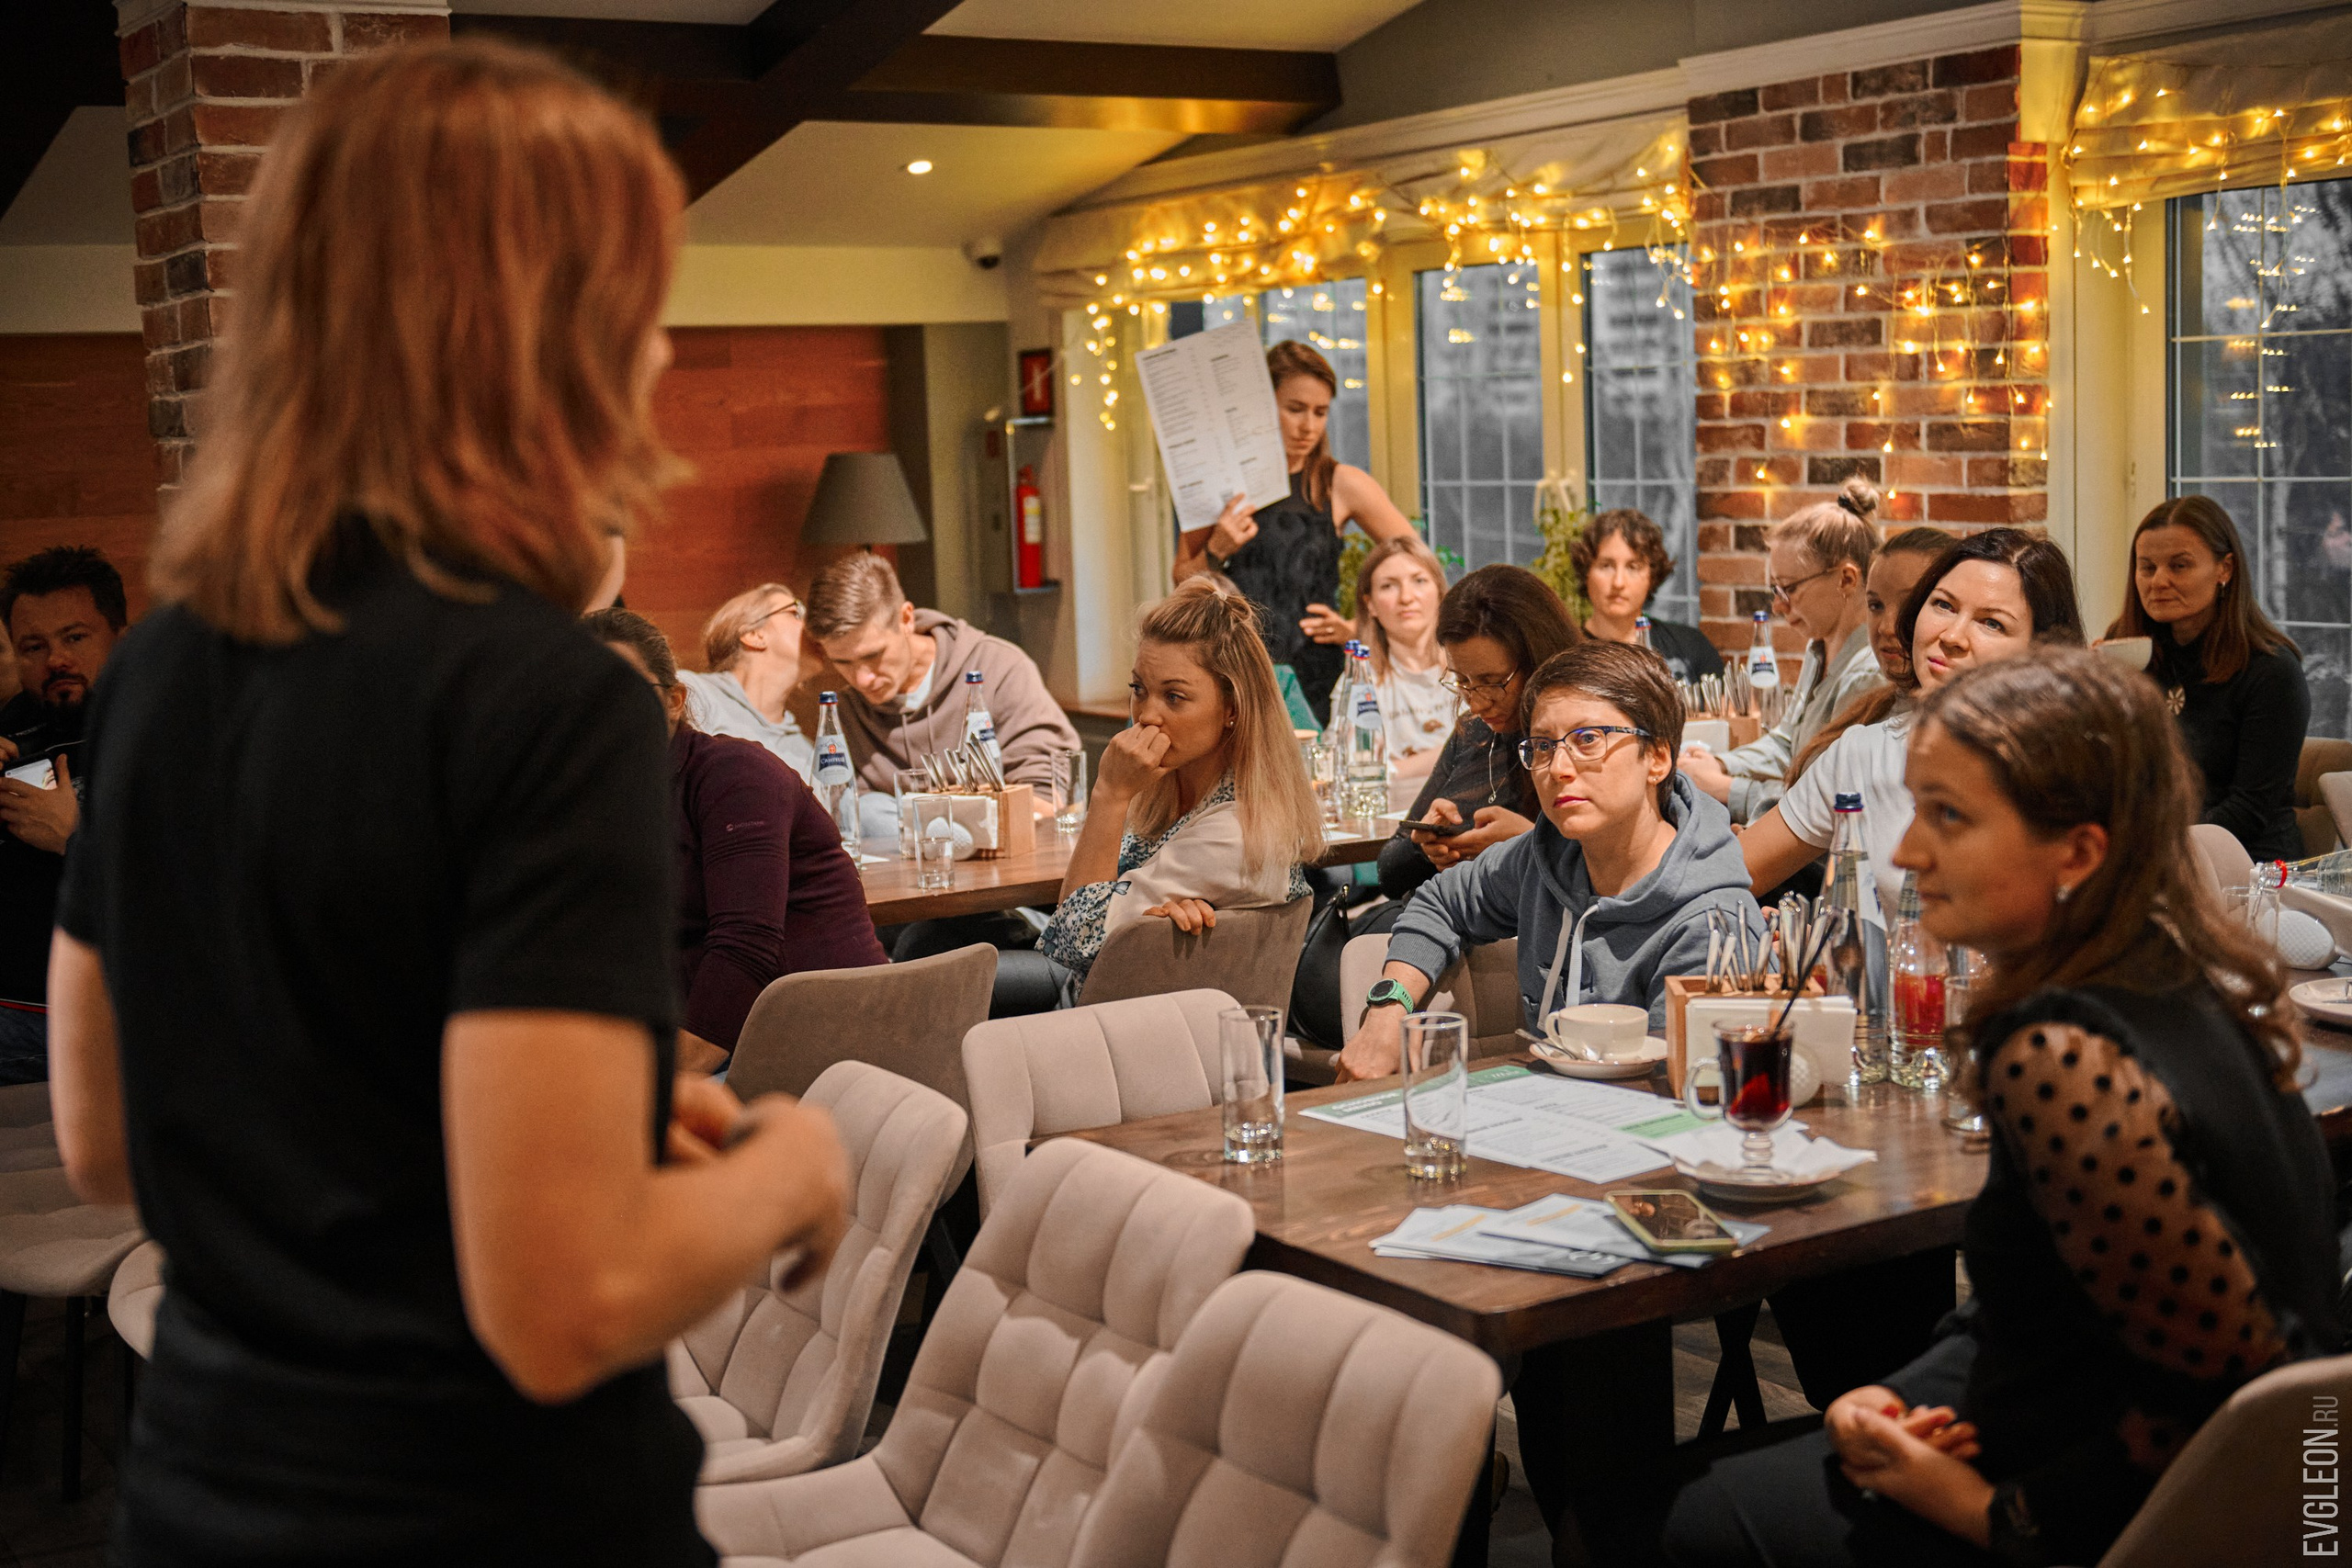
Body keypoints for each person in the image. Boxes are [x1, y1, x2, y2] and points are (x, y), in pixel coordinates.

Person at [46, 42, 849, 1564]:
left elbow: (113, 1135)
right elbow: (565, 1310)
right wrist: (796, 1168)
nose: (660, 358)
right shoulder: (548, 697)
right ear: (536, 329)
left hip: (210, 1495)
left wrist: (546, 1123)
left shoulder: (160, 666)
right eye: (632, 304)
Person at [1662, 648, 2340, 1568]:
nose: (1905, 851)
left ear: (2077, 851)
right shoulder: (2186, 979)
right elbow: (2043, 1316)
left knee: (1703, 1517)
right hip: (2227, 1480)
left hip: (2162, 1518)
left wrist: (1993, 1513)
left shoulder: (2061, 1055)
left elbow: (2226, 1384)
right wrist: (1894, 1394)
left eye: (1946, 816)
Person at [1338, 639, 1760, 1081]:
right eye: (1542, 745)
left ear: (1657, 757)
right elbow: (1440, 902)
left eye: (1588, 739)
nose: (1557, 768)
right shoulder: (1548, 859)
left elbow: (1684, 1093)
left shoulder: (1711, 925)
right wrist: (1388, 1014)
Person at [991, 578, 1323, 1011]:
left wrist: (1109, 794)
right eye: (1139, 690)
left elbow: (1073, 940)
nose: (1147, 715)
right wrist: (1142, 927)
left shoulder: (1237, 830)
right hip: (1107, 1007)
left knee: (953, 972)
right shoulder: (1170, 789)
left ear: (1232, 710)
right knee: (946, 937)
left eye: (1174, 697)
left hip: (1119, 1033)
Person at [589, 608, 885, 1077]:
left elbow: (745, 948)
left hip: (825, 1044)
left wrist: (657, 1089)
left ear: (673, 700)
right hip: (723, 1033)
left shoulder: (735, 776)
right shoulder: (602, 803)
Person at [1741, 528, 2086, 921]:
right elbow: (1732, 873)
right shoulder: (1865, 752)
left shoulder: (2068, 772)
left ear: (2040, 652)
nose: (1952, 636)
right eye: (1943, 605)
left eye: (1991, 623)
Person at [1170, 340, 1416, 723]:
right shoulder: (1220, 482)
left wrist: (1359, 628)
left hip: (1318, 675)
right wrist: (1217, 548)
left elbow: (1418, 562)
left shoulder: (1339, 483)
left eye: (1320, 413)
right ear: (1262, 407)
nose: (1308, 426)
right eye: (1295, 409)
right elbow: (1182, 580)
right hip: (1237, 672)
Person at [2107, 495, 2309, 862]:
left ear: (2225, 569)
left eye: (2179, 566)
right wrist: (2088, 696)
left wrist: (2149, 850)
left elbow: (2248, 810)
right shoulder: (2128, 653)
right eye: (2147, 567)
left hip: (2250, 869)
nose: (2159, 581)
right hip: (2155, 856)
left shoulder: (2271, 670)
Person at [804, 551, 1078, 809]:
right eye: (843, 663)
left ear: (906, 618)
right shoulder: (847, 712)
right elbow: (850, 815)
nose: (862, 679)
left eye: (874, 655)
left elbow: (1047, 796)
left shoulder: (999, 669)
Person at [1374, 563, 1582, 905]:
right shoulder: (1474, 734)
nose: (1478, 701)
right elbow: (1390, 873)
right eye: (1462, 682)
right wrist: (1428, 849)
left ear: (1540, 661)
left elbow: (1621, 873)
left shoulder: (1584, 738)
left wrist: (1530, 844)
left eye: (1492, 681)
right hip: (1458, 923)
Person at [1681, 479, 1885, 823]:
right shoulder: (1817, 648)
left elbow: (1825, 801)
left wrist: (1727, 788)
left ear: (1847, 580)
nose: (1777, 605)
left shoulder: (1868, 674)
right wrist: (1720, 763)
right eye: (1775, 589)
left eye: (1788, 589)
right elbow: (1788, 742)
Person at [0, 547, 125, 1085]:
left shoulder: (163, 728)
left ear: (118, 636)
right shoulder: (11, 727)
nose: (55, 660)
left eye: (75, 638)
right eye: (35, 646)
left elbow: (198, 885)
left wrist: (74, 839)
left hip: (106, 1017)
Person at [1785, 526, 1955, 789]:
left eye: (1910, 605)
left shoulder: (1944, 735)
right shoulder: (1874, 708)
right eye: (1875, 605)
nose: (1886, 627)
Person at [1346, 536, 1456, 795]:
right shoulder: (1361, 681)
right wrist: (1453, 754)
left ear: (1440, 593)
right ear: (1370, 604)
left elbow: (1490, 749)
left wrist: (1397, 768)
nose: (1407, 597)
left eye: (1419, 581)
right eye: (1388, 586)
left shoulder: (1469, 671)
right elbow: (1356, 770)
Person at [680, 581, 814, 781]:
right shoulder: (692, 692)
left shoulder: (809, 751)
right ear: (753, 635)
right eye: (796, 612)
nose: (812, 625)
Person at [1574, 507, 1723, 682]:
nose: (1618, 582)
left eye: (1633, 567)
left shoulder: (1690, 646)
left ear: (1652, 576)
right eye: (1606, 566)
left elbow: (1727, 708)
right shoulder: (1565, 654)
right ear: (1586, 573)